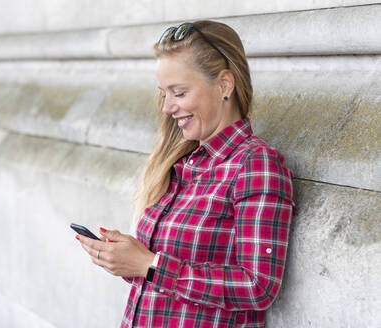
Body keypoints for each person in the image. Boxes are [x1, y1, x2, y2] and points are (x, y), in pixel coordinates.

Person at [75, 20, 296, 327]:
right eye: (164, 94)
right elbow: (165, 281)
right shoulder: (185, 163)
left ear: (224, 85)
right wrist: (127, 259)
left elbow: (257, 287)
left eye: (178, 93)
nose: (167, 107)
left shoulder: (254, 165)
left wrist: (150, 265)